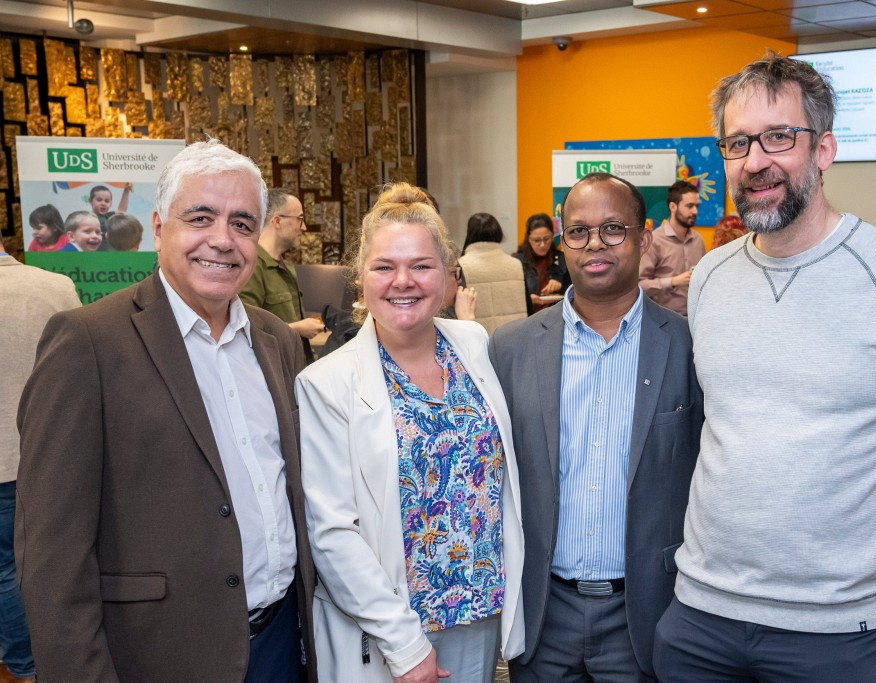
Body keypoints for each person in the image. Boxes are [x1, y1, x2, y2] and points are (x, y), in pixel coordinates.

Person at [654, 52, 876, 683]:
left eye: (780, 136)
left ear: (824, 149)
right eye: (738, 141)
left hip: (833, 629)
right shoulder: (712, 278)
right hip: (700, 614)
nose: (755, 161)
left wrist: (852, 531)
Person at [16, 139, 316, 683]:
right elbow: (51, 555)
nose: (222, 240)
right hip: (158, 656)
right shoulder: (87, 343)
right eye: (201, 217)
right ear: (158, 228)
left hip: (281, 642)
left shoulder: (276, 340)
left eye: (243, 224)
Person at [296, 182, 524, 683]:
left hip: (479, 611)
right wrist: (404, 645)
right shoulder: (326, 383)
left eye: (422, 266)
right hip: (388, 626)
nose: (404, 281)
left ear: (448, 275)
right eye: (384, 267)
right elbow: (333, 534)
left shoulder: (473, 344)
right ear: (361, 278)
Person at [490, 172, 703, 682]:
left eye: (614, 229)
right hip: (545, 612)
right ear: (562, 242)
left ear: (643, 237)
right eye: (579, 231)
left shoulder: (688, 346)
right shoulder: (511, 349)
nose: (595, 245)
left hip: (647, 611)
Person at [0, 237, 80, 683]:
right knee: (57, 561)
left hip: (3, 464)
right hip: (54, 454)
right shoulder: (55, 286)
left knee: (5, 568)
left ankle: (27, 670)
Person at [240, 188, 325, 359]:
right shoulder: (252, 267)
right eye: (300, 218)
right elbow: (246, 330)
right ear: (277, 221)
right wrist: (297, 328)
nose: (304, 226)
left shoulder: (286, 266)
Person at [638, 180, 705, 315]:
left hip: (695, 318)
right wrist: (673, 281)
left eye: (697, 206)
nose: (695, 211)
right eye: (690, 206)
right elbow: (639, 286)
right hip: (662, 319)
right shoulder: (654, 240)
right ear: (673, 206)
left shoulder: (698, 240)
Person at [459, 212, 528, 333]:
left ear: (469, 234)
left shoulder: (462, 266)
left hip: (479, 339)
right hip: (515, 337)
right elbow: (529, 306)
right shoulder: (516, 264)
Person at [514, 213, 570, 313]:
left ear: (552, 237)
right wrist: (527, 299)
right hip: (528, 316)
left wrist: (560, 286)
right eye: (537, 240)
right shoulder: (517, 261)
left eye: (546, 239)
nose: (542, 245)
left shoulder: (562, 258)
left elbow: (574, 293)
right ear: (529, 239)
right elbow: (511, 296)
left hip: (555, 315)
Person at [88, 183, 131, 250]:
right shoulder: (86, 218)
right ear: (90, 201)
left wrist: (126, 190)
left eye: (107, 201)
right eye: (99, 200)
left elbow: (121, 211)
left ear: (111, 203)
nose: (103, 203)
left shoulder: (108, 216)